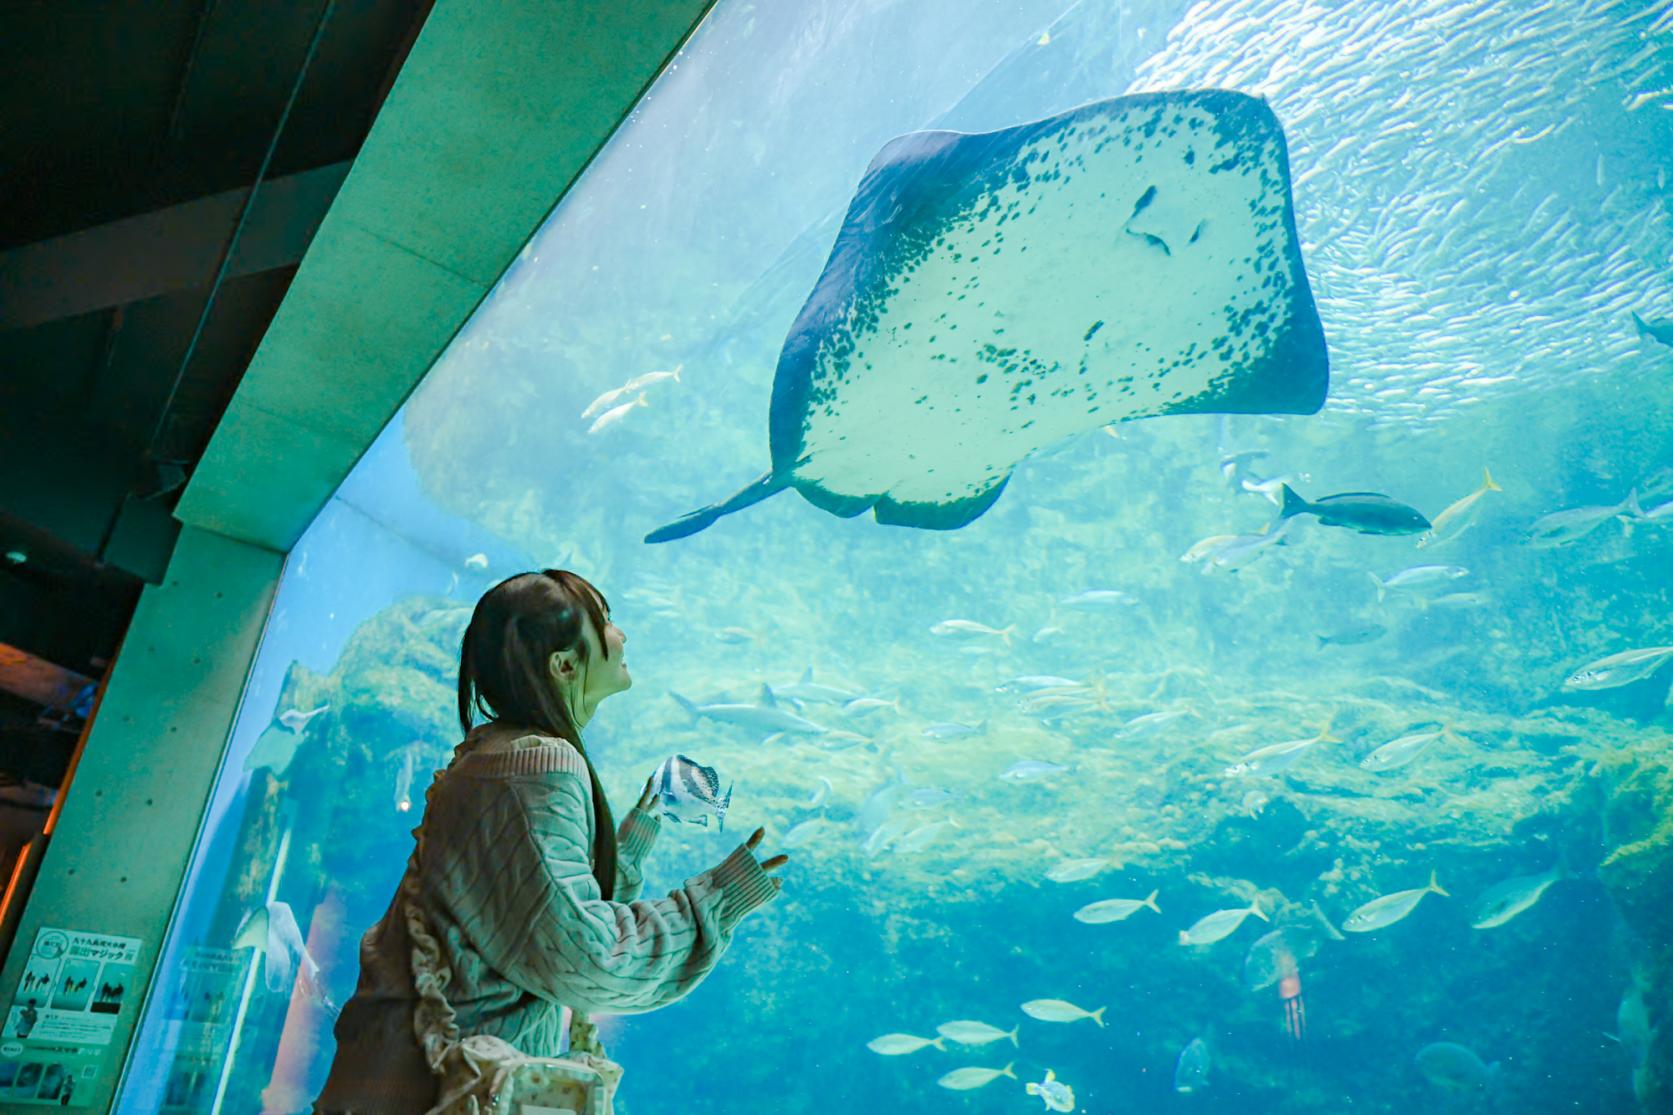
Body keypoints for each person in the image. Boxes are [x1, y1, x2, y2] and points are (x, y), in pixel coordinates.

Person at [314, 569, 787, 1113]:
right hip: (435, 1093)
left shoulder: (489, 756)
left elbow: (528, 903)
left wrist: (630, 846)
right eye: (604, 622)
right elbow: (587, 959)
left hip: (392, 1078)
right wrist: (716, 899)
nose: (621, 636)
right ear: (563, 665)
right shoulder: (538, 763)